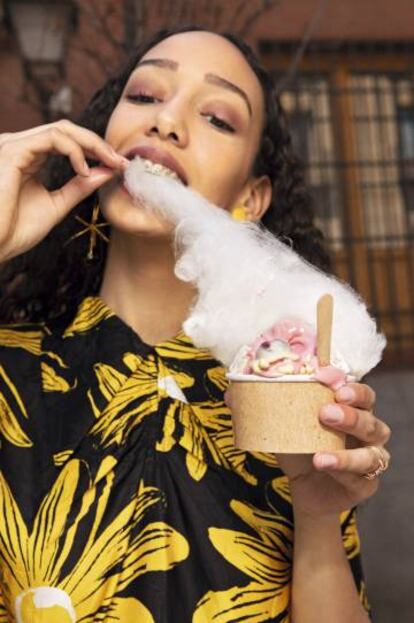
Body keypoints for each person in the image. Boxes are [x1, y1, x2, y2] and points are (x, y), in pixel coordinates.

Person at [0, 25, 391, 623]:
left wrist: (317, 517)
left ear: (252, 198)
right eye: (145, 96)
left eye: (218, 118)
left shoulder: (288, 403)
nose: (165, 121)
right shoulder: (11, 372)